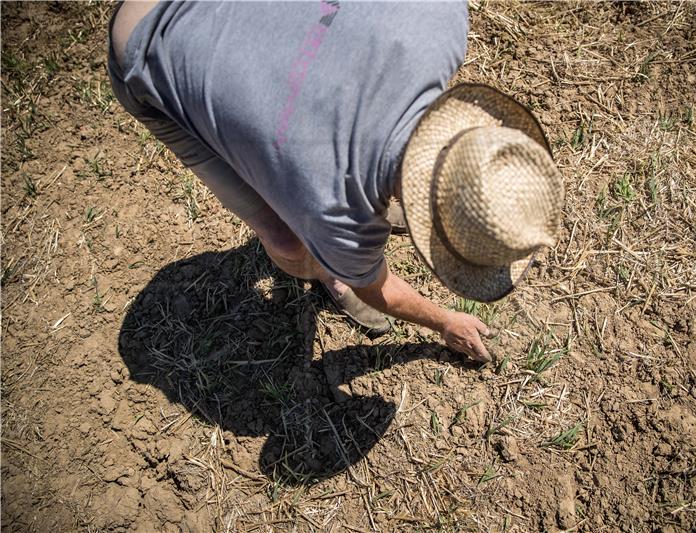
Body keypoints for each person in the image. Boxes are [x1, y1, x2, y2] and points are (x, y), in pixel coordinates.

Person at [108, 0, 564, 363]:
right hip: (147, 40)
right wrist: (444, 321)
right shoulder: (331, 212)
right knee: (286, 240)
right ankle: (329, 273)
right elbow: (378, 289)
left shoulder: (441, 16)